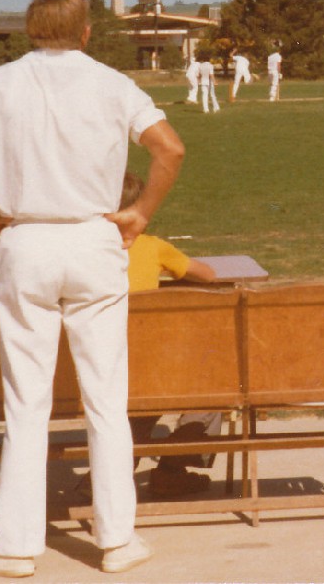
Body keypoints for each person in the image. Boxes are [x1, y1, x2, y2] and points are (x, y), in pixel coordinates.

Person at [0, 0, 184, 578]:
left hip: (26, 243)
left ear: (30, 31)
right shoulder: (114, 84)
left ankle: (15, 546)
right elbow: (170, 148)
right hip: (94, 241)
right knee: (105, 398)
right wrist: (140, 214)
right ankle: (118, 539)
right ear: (86, 31)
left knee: (26, 400)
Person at [118, 172, 219, 497]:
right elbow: (207, 274)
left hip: (112, 363)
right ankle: (173, 469)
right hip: (149, 364)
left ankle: (114, 472)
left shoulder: (82, 251)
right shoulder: (152, 248)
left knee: (143, 395)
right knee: (210, 386)